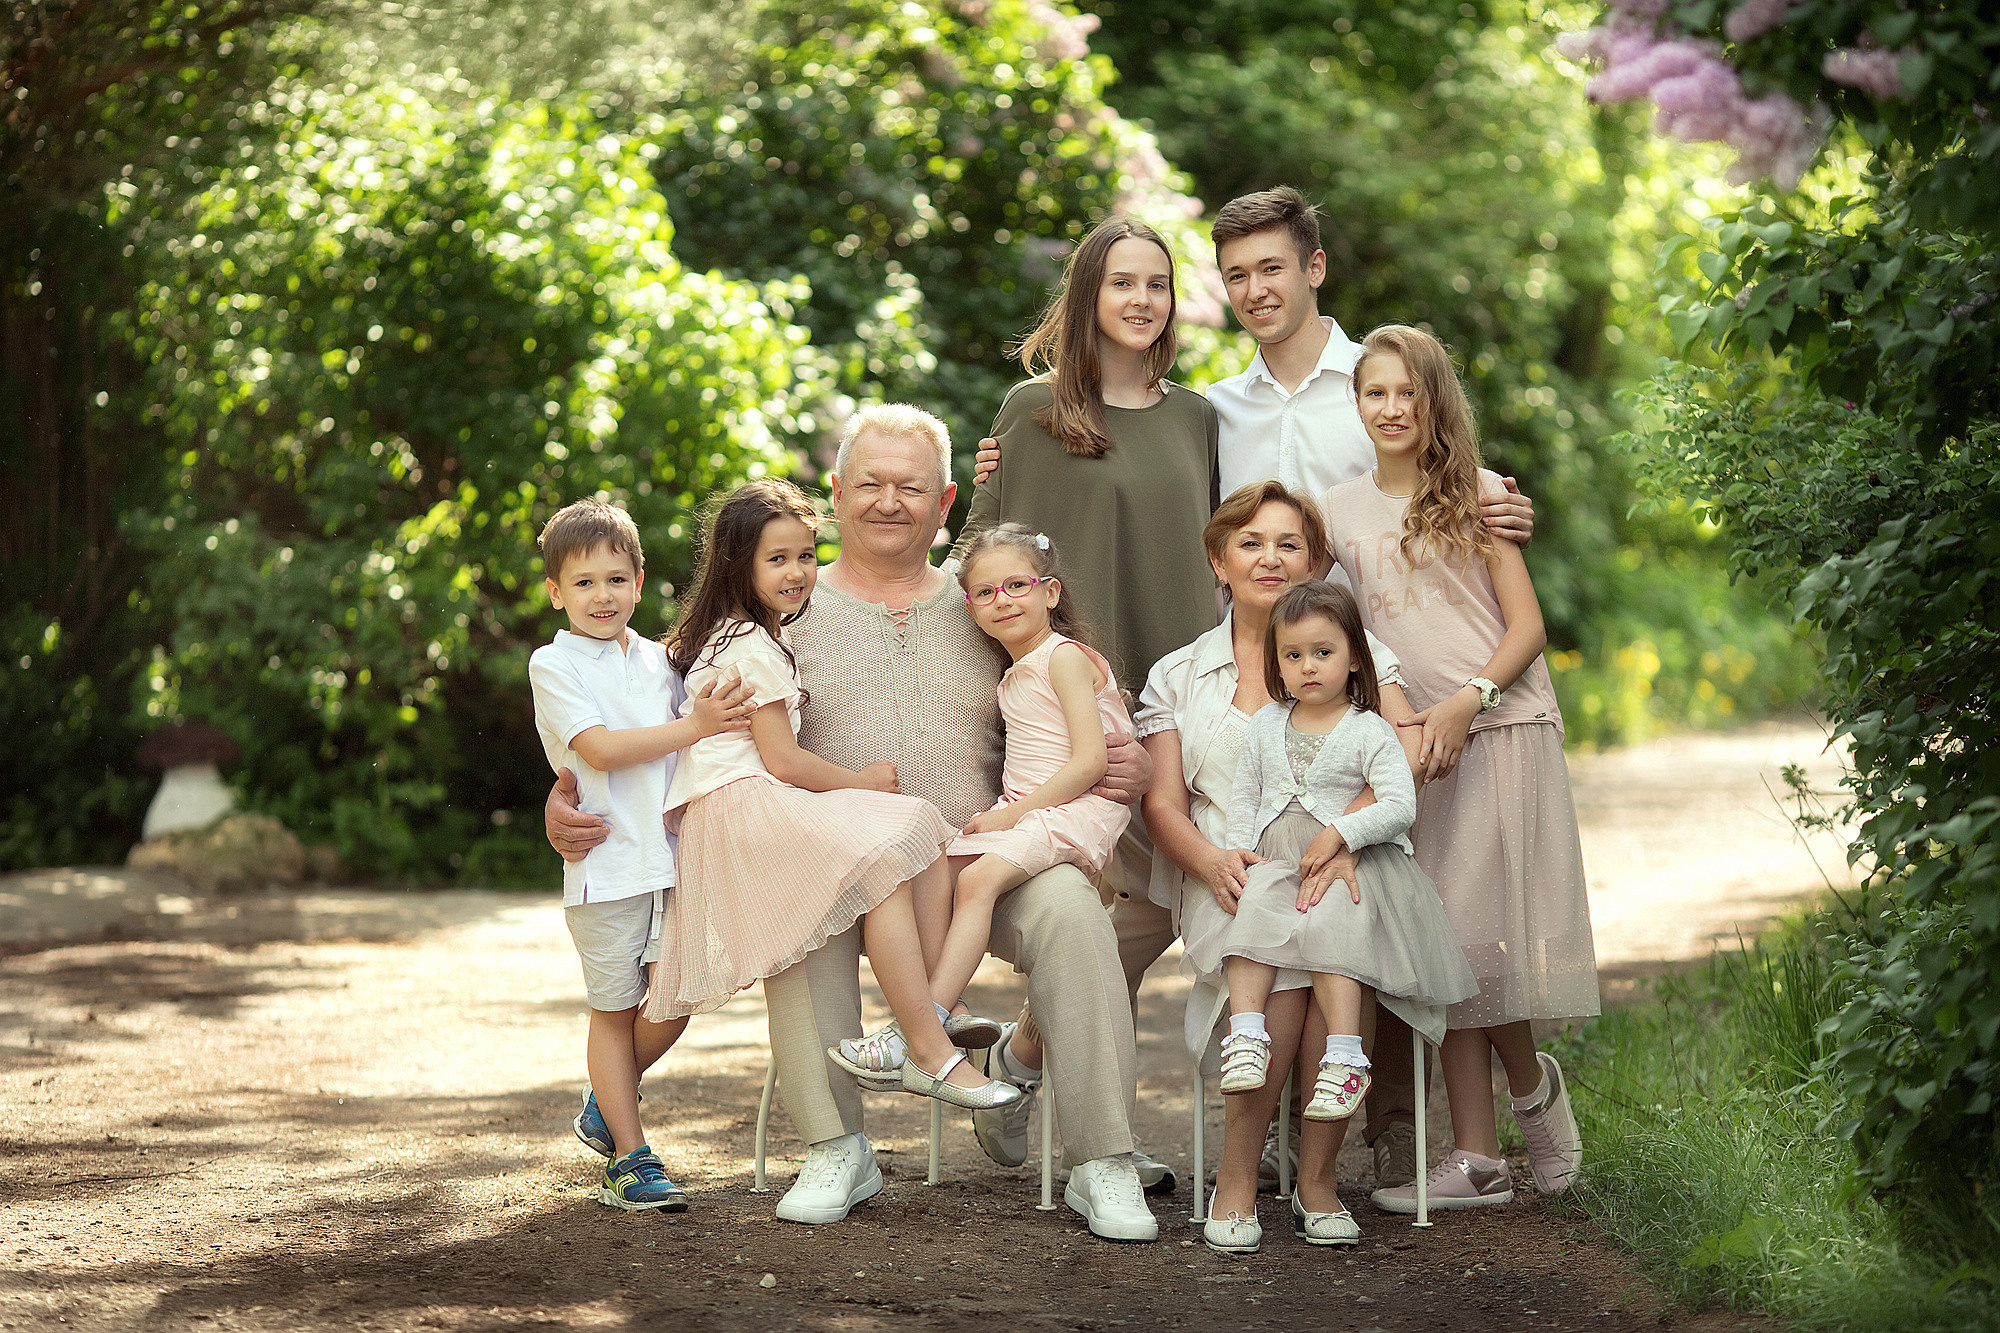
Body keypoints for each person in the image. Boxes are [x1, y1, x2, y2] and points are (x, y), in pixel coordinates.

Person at [971, 186, 1536, 1191]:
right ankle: (1046, 1062)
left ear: (1312, 268)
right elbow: (986, 548)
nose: (1252, 288)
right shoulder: (1211, 408)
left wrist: (1493, 500)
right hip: (1156, 690)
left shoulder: (1347, 384)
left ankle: (1379, 1131)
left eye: (1267, 267)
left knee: (1352, 887)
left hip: (1340, 681)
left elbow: (1430, 454)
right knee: (1182, 895)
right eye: (1234, 274)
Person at [548, 406, 1164, 1241]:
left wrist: (1123, 759)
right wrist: (565, 794)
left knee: (1075, 917)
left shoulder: (986, 601)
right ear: (835, 493)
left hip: (984, 857)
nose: (888, 500)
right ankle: (838, 1147)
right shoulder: (776, 604)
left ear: (945, 499)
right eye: (868, 482)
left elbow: (1074, 697)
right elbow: (644, 723)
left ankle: (1102, 1161)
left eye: (910, 486)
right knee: (798, 912)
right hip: (838, 863)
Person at [641, 478, 1024, 1121]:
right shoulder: (749, 647)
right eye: (777, 559)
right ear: (741, 566)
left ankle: (933, 1010)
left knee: (916, 826)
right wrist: (863, 782)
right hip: (746, 808)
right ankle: (929, 1047)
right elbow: (784, 761)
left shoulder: (742, 637)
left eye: (805, 555)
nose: (797, 572)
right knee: (890, 846)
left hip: (749, 804)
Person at [1320, 324, 1597, 1212]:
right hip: (1413, 749)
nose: (1392, 409)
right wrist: (1397, 720)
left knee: (1476, 940)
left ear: (1436, 401)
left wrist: (1465, 701)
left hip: (1497, 726)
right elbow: (1339, 629)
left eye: (1409, 392)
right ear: (1355, 405)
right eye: (1375, 394)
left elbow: (1527, 628)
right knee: (1445, 942)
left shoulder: (1478, 496)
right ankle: (1492, 1139)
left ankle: (1506, 1127)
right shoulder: (1339, 511)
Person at [1136, 485, 1411, 1252]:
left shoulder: (1360, 652)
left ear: (1316, 561)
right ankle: (1236, 1176)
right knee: (1284, 973)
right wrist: (1213, 859)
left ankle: (1317, 1180)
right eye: (1251, 542)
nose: (1270, 557)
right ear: (1218, 559)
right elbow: (1163, 803)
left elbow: (1400, 756)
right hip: (1227, 870)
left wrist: (1344, 837)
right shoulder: (1180, 674)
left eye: (1289, 543)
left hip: (1341, 862)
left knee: (1327, 960)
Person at [1196, 580, 1478, 1252]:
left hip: (1347, 868)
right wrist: (1240, 851)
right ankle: (1246, 1038)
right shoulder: (1267, 723)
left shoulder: (1370, 728)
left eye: (1323, 651)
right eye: (1293, 656)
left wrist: (1342, 836)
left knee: (1338, 937)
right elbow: (1245, 795)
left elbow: (1399, 802)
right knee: (1259, 933)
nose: (1308, 666)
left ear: (1356, 657)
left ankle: (1340, 1080)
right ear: (1277, 664)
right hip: (1272, 866)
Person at [527, 499, 756, 1211]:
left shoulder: (661, 661)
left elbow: (706, 720)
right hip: (607, 865)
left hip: (671, 859)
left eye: (617, 579)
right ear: (556, 591)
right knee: (615, 1008)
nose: (603, 595)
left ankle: (605, 1101)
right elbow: (597, 750)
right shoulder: (553, 662)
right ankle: (630, 1159)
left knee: (677, 997)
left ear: (641, 580)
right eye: (585, 582)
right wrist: (694, 726)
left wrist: (719, 700)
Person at [957, 214, 1218, 697]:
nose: (1142, 299)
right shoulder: (1034, 408)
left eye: (1157, 285)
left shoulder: (1195, 416)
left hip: (1189, 692)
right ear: (1088, 295)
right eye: (1122, 283)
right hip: (1070, 697)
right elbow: (979, 549)